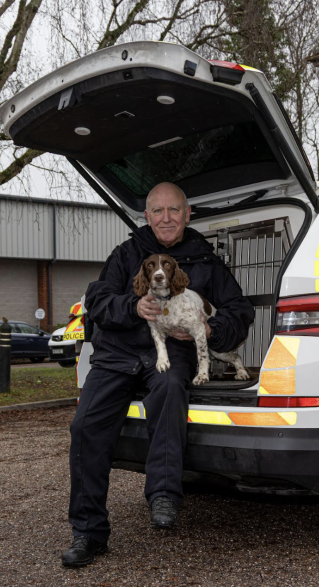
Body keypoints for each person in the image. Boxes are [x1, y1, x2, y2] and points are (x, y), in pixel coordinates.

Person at [61, 182, 254, 568]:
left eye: (174, 210)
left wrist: (212, 331)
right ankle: (88, 533)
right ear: (147, 216)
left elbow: (239, 309)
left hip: (169, 355)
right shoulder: (128, 253)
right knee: (85, 428)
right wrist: (133, 307)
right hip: (117, 355)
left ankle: (164, 495)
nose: (166, 218)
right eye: (158, 211)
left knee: (169, 391)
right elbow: (96, 300)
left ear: (187, 214)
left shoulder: (204, 259)